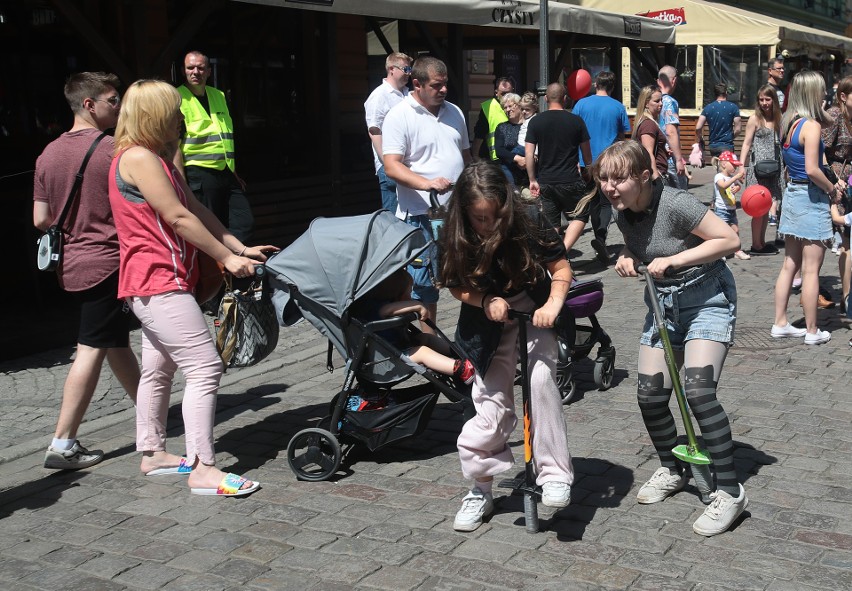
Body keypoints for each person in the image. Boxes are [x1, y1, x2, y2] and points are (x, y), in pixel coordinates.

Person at [109, 79, 277, 495]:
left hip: (156, 281)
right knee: (205, 367)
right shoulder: (139, 158)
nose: (180, 116)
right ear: (154, 115)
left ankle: (152, 453)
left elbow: (195, 208)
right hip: (157, 281)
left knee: (158, 368)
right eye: (173, 110)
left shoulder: (155, 159)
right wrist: (225, 259)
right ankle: (203, 468)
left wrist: (238, 246)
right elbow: (178, 219)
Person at [594, 140, 747, 537]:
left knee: (698, 392)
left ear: (645, 176)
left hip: (706, 300)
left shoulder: (677, 203)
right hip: (663, 305)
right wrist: (627, 254)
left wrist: (675, 260)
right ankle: (672, 467)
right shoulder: (622, 208)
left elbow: (730, 240)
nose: (610, 187)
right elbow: (641, 242)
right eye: (605, 178)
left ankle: (730, 492)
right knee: (650, 394)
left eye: (620, 179)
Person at [439, 161, 574, 532]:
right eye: (480, 219)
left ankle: (554, 473)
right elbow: (454, 284)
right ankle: (480, 488)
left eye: (495, 216)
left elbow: (561, 270)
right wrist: (483, 300)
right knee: (489, 403)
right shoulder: (455, 232)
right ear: (465, 212)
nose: (489, 226)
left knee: (541, 381)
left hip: (534, 308)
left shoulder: (530, 216)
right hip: (488, 318)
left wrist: (552, 306)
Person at [33, 72, 140, 471]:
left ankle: (151, 412)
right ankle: (62, 442)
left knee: (114, 343)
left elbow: (40, 218)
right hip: (108, 261)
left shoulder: (48, 153)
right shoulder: (115, 150)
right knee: (93, 346)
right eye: (114, 99)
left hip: (73, 263)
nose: (120, 106)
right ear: (89, 104)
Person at [382, 56, 472, 332]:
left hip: (458, 213)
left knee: (469, 275)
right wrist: (426, 183)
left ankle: (470, 338)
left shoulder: (454, 111)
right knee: (424, 284)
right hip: (421, 216)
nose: (443, 90)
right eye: (437, 85)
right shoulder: (400, 115)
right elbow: (392, 166)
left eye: (445, 84)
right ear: (417, 84)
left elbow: (465, 156)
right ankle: (429, 343)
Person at [771, 70, 845, 345]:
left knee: (790, 264)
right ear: (813, 93)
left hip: (792, 195)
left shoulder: (787, 123)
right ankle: (812, 330)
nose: (825, 94)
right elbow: (813, 169)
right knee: (812, 268)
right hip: (810, 197)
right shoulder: (811, 126)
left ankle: (780, 322)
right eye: (822, 90)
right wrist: (831, 188)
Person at [175, 50, 253, 243]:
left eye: (200, 68)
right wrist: (180, 181)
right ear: (183, 71)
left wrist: (232, 170)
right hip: (198, 173)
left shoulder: (218, 95)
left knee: (244, 222)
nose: (195, 72)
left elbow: (222, 136)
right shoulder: (176, 98)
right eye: (190, 68)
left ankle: (233, 267)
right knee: (209, 226)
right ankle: (219, 270)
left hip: (225, 171)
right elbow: (174, 146)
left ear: (209, 71)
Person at [351, 269, 475, 385]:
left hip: (400, 347)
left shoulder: (389, 304)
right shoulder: (379, 308)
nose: (410, 297)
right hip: (388, 361)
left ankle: (458, 350)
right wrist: (417, 305)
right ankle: (461, 369)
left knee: (426, 338)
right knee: (422, 352)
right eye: (409, 293)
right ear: (396, 296)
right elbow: (386, 310)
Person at [525, 82, 593, 254]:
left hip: (546, 180)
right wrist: (589, 172)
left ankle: (553, 256)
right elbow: (587, 155)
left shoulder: (535, 122)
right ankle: (563, 250)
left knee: (552, 223)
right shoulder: (576, 121)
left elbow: (529, 154)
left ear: (546, 98)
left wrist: (532, 179)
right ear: (565, 99)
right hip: (570, 179)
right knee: (582, 215)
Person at [572, 71, 631, 264]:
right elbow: (623, 136)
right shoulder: (618, 107)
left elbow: (574, 131)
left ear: (595, 84)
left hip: (585, 161)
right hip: (608, 161)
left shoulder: (581, 104)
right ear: (612, 87)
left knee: (589, 198)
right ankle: (601, 235)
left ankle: (590, 235)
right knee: (605, 201)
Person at [364, 52, 412, 213]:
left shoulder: (408, 94)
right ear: (391, 69)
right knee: (394, 218)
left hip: (407, 163)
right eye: (405, 69)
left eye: (410, 69)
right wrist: (388, 163)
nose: (409, 73)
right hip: (391, 166)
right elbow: (374, 130)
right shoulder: (379, 96)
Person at [740, 85, 784, 256]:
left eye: (768, 99)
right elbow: (746, 143)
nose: (765, 103)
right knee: (758, 208)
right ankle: (755, 244)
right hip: (758, 169)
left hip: (774, 168)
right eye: (761, 100)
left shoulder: (778, 118)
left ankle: (762, 242)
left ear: (774, 100)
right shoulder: (754, 119)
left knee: (766, 206)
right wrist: (741, 166)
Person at [821, 76, 852, 315]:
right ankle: (842, 296)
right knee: (841, 242)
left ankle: (847, 297)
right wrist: (835, 180)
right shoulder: (834, 116)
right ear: (843, 96)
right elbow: (819, 152)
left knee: (848, 242)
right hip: (835, 182)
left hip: (849, 179)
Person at [711, 152, 751, 260]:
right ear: (724, 164)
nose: (735, 167)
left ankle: (737, 250)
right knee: (721, 233)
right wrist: (735, 178)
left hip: (732, 209)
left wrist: (737, 187)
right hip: (721, 210)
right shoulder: (719, 176)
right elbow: (723, 186)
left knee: (735, 231)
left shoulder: (732, 177)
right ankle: (720, 252)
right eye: (733, 165)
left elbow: (738, 185)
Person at [657, 65, 688, 190]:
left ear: (658, 81)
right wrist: (679, 160)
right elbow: (671, 131)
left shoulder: (651, 100)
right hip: (669, 158)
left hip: (657, 156)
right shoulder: (670, 102)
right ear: (674, 80)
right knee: (680, 197)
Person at [472, 76, 514, 162]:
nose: (506, 97)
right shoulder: (488, 107)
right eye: (503, 94)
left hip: (514, 155)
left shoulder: (519, 105)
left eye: (509, 93)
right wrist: (475, 155)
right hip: (495, 158)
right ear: (496, 93)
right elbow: (480, 132)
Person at [632, 85, 668, 181]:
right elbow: (648, 153)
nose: (661, 104)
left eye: (661, 100)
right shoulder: (648, 124)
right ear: (646, 104)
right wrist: (656, 179)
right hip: (654, 175)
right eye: (656, 101)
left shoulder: (650, 122)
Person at [695, 82, 741, 157]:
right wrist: (731, 137)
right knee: (726, 168)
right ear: (726, 92)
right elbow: (738, 129)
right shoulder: (733, 107)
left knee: (717, 167)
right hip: (727, 145)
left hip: (713, 146)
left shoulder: (708, 108)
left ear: (715, 94)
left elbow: (698, 127)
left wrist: (700, 138)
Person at [493, 92, 528, 187]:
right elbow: (499, 150)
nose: (507, 110)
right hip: (509, 174)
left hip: (529, 173)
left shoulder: (529, 125)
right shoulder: (502, 127)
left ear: (519, 105)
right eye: (505, 107)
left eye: (510, 106)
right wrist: (517, 159)